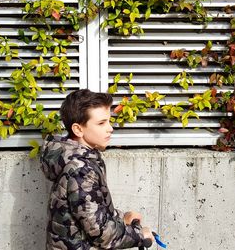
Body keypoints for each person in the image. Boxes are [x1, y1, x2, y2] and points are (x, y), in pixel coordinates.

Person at [40, 89, 154, 249]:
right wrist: (139, 235)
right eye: (101, 123)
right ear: (78, 129)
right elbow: (101, 233)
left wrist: (122, 218)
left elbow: (92, 209)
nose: (110, 128)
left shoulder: (77, 158)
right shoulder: (81, 170)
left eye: (109, 121)